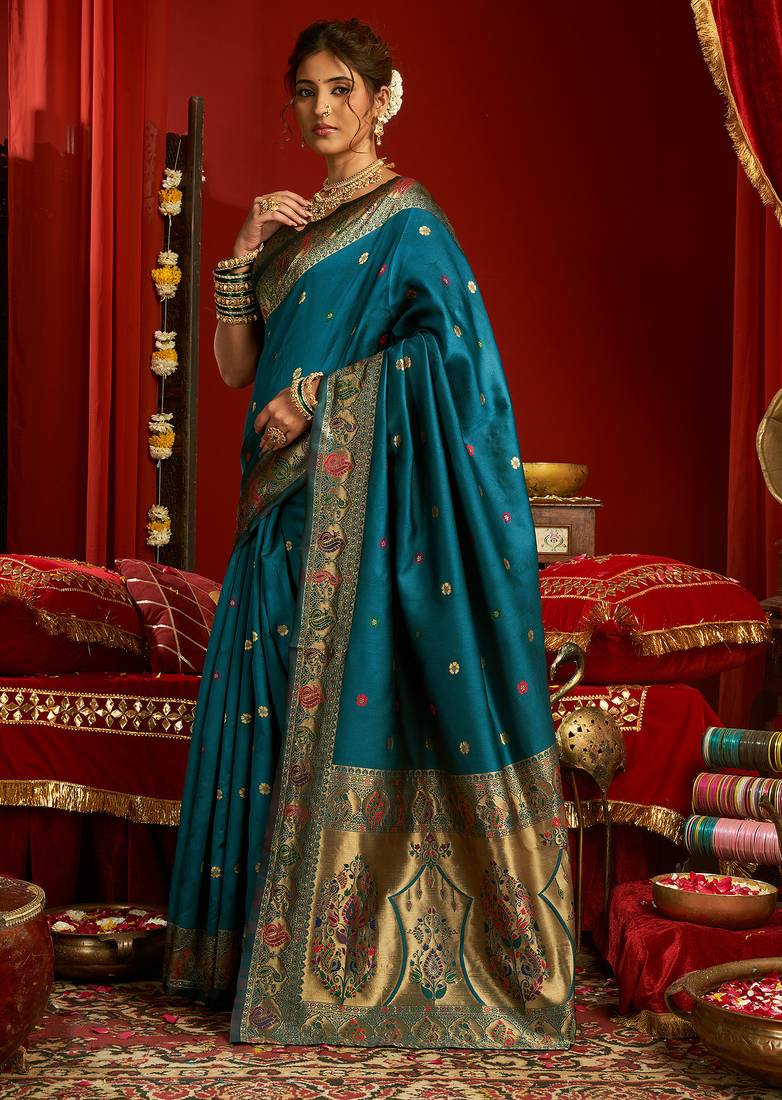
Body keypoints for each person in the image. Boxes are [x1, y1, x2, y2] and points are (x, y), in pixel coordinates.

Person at [162, 17, 575, 1051]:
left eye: (341, 88)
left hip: (353, 519)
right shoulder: (293, 230)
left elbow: (457, 367)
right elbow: (232, 368)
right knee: (269, 722)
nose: (322, 108)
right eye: (306, 91)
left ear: (383, 97)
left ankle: (330, 960)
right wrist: (241, 256)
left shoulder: (409, 223)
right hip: (273, 514)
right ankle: (258, 959)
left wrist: (321, 400)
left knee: (328, 717)